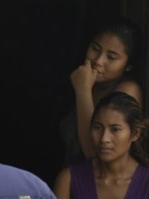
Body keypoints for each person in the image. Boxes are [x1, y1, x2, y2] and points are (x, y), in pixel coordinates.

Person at [61, 18, 143, 164]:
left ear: (128, 65)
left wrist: (83, 91)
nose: (98, 61)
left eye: (111, 57)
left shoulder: (127, 91)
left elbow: (94, 155)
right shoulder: (84, 80)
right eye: (95, 48)